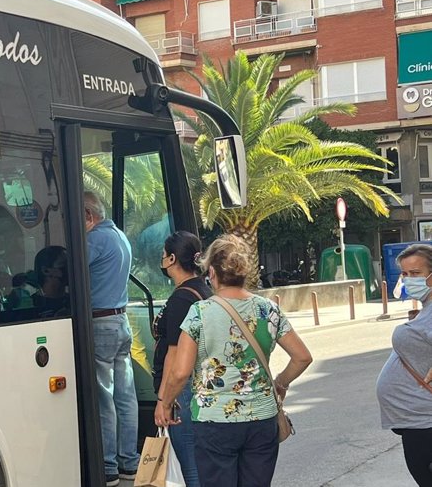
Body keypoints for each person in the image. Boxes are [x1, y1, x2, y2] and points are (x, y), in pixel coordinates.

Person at [157, 234, 312, 487]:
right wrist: (280, 381)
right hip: (262, 420)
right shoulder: (267, 309)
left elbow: (180, 372)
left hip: (214, 422)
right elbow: (302, 357)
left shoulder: (200, 312)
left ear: (212, 272)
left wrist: (166, 403)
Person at [84, 191, 139, 487]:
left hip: (100, 322)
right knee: (125, 396)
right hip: (121, 320)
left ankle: (108, 466)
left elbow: (71, 273)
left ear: (89, 216)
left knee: (104, 398)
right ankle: (129, 461)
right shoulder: (120, 236)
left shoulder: (93, 240)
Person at [152, 231, 212, 487]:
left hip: (182, 390)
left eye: (164, 255)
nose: (162, 259)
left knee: (188, 462)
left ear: (172, 259)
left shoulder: (181, 298)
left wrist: (164, 400)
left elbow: (174, 355)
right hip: (200, 384)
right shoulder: (203, 290)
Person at [376, 244, 432, 486]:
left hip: (425, 421)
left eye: (416, 273)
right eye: (405, 274)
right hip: (416, 421)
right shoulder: (426, 309)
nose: (409, 280)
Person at [32, 245, 70, 317]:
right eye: (64, 265)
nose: (69, 269)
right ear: (45, 271)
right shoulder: (31, 305)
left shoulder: (76, 302)